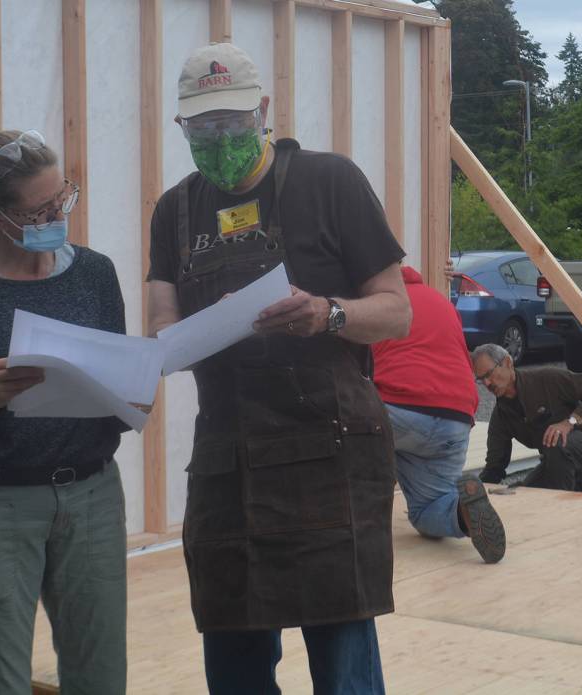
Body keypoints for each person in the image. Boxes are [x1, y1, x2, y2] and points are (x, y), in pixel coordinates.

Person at [146, 43, 410, 694]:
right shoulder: (175, 211)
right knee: (233, 658)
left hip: (330, 456)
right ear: (182, 127)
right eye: (200, 128)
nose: (216, 139)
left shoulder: (331, 182)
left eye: (230, 123)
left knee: (342, 654)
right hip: (227, 463)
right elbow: (159, 330)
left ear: (263, 110)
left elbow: (397, 310)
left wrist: (330, 314)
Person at [0, 130, 128, 693]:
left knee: (101, 677)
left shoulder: (95, 273)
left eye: (64, 197)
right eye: (41, 209)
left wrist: (130, 389)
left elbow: (117, 398)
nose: (59, 214)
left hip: (92, 499)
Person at [372, 264, 506, 564]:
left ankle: (354, 518)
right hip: (454, 417)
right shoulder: (440, 302)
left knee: (345, 428)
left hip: (396, 409)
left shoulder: (373, 305)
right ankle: (461, 513)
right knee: (429, 508)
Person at [474, 344, 582, 492]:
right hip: (554, 462)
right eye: (481, 379)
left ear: (508, 362)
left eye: (489, 374)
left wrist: (569, 422)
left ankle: (560, 507)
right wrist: (472, 492)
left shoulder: (548, 378)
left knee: (556, 439)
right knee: (519, 493)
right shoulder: (501, 416)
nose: (487, 383)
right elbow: (494, 466)